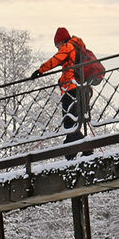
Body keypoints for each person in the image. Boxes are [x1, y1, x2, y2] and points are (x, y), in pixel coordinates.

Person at [30, 26, 93, 156]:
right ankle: (70, 153)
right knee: (73, 124)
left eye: (57, 45)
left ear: (60, 41)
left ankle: (86, 149)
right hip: (83, 88)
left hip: (72, 89)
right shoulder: (77, 48)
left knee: (70, 123)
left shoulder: (68, 47)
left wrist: (40, 70)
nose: (58, 48)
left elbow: (56, 60)